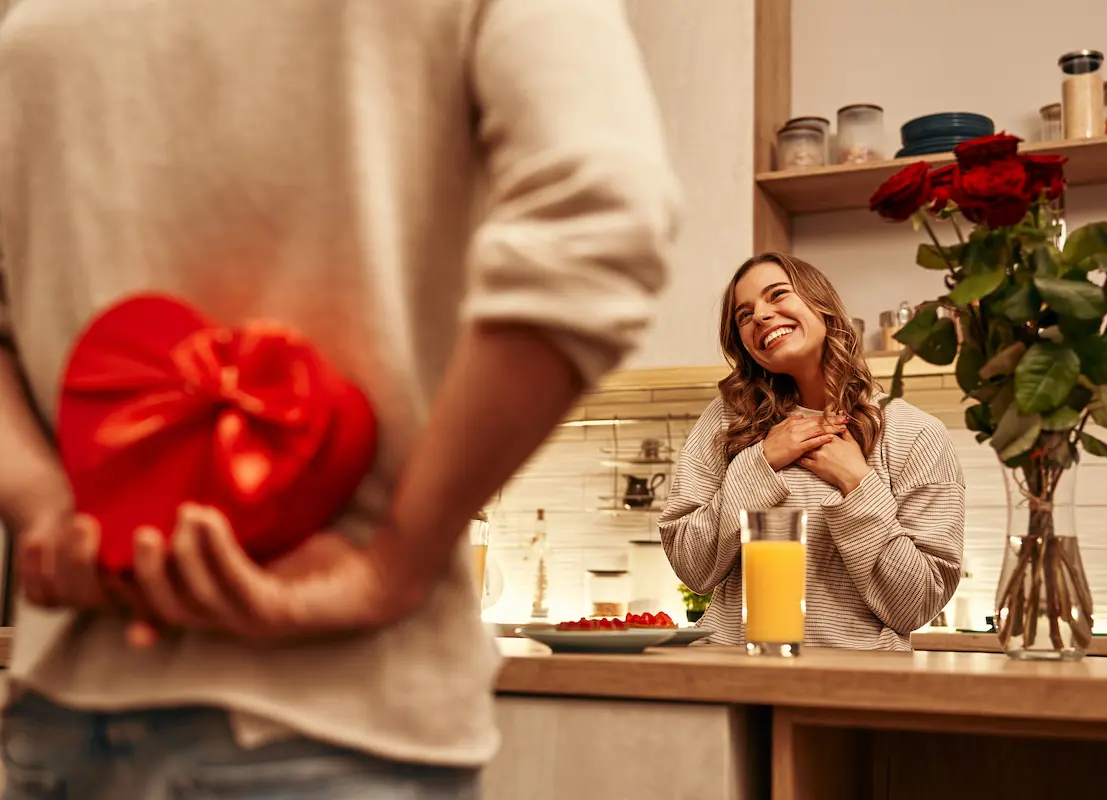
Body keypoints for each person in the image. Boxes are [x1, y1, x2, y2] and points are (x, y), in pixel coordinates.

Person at [0, 0, 679, 796]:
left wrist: (48, 509)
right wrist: (396, 563)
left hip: (62, 715)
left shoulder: (33, 18)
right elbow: (604, 217)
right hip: (340, 705)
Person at [659, 253, 964, 650]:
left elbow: (917, 604)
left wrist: (857, 483)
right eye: (744, 315)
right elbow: (692, 567)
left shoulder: (916, 435)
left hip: (856, 681)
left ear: (822, 304)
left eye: (777, 294)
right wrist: (759, 463)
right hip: (729, 669)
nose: (761, 316)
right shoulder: (727, 421)